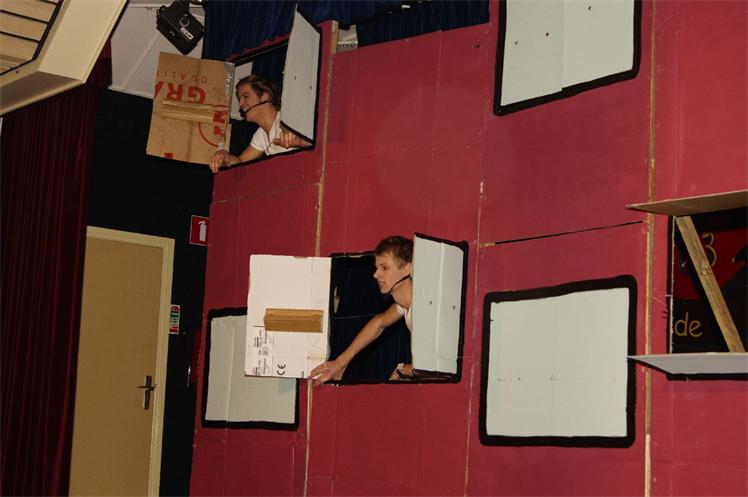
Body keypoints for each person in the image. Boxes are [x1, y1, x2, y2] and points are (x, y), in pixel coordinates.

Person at [310, 235, 416, 385]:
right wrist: (340, 363)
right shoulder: (404, 305)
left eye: (385, 268)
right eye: (377, 268)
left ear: (407, 269)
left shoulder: (423, 310)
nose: (376, 275)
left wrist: (402, 370)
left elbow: (435, 370)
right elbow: (379, 323)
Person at [209, 74, 311, 173]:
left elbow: (318, 142)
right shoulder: (261, 134)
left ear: (265, 96)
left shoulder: (287, 120)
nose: (240, 104)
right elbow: (240, 162)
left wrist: (301, 142)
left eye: (245, 96)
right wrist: (225, 156)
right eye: (240, 99)